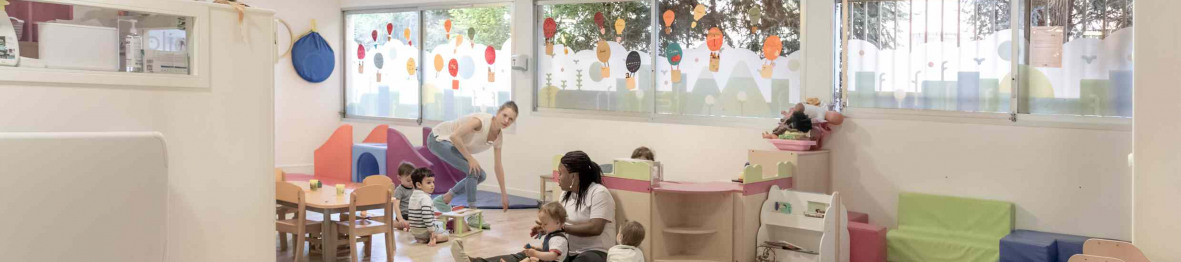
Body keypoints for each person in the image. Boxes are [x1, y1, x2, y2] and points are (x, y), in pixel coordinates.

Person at [429, 101, 519, 214]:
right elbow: (454, 136)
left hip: (453, 145)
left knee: (481, 175)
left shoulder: (498, 138)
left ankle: (443, 200)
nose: (506, 121)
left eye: (511, 119)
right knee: (472, 170)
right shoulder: (481, 121)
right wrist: (470, 158)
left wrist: (504, 194)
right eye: (504, 115)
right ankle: (472, 213)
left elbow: (498, 166)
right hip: (438, 138)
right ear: (498, 112)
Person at [452, 201, 569, 262]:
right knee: (527, 257)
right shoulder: (553, 235)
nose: (542, 227)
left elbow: (552, 255)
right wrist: (536, 249)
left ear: (558, 223)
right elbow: (548, 251)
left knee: (529, 259)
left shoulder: (558, 239)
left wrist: (535, 253)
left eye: (545, 224)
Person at [408, 168, 449, 246]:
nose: (432, 185)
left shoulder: (412, 196)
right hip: (425, 232)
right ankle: (433, 238)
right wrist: (432, 231)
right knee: (446, 235)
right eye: (428, 182)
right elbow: (426, 216)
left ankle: (421, 239)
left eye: (433, 182)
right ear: (419, 185)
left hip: (415, 232)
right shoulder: (425, 198)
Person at [394, 162, 416, 230]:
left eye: (413, 180)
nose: (411, 182)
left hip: (413, 214)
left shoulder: (414, 188)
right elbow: (396, 206)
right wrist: (400, 219)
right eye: (408, 180)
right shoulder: (399, 190)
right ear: (399, 178)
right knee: (404, 224)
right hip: (404, 215)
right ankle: (396, 224)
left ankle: (408, 225)